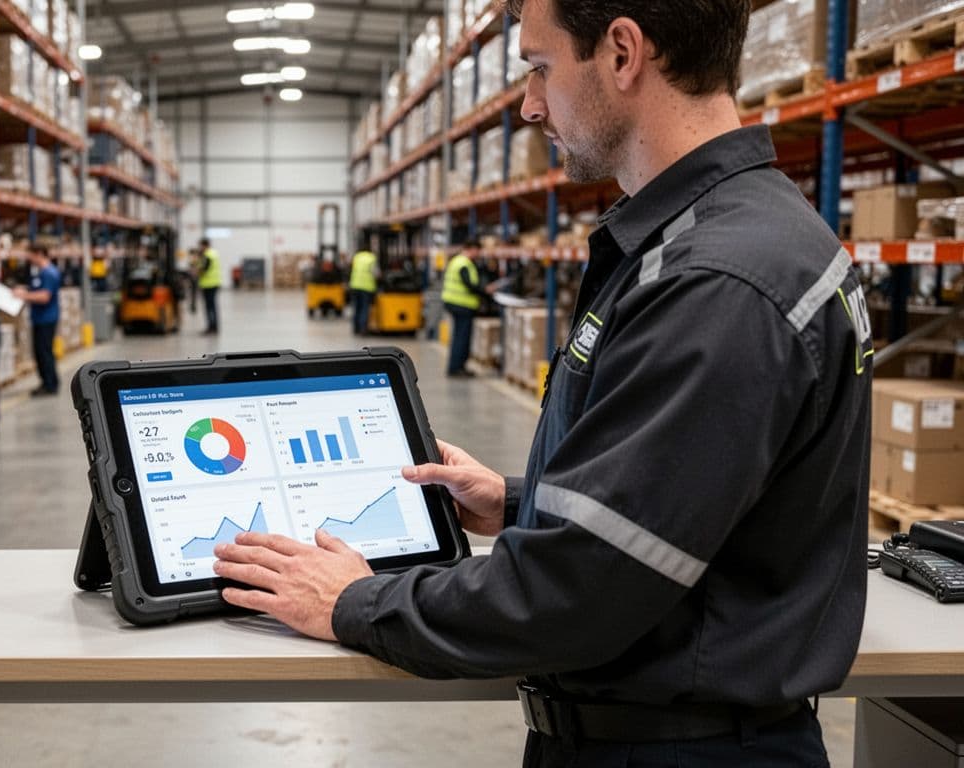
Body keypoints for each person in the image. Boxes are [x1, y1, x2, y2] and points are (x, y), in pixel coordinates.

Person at [212, 1, 872, 765]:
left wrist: (353, 600)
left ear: (622, 52)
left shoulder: (717, 280)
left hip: (681, 751)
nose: (529, 106)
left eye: (539, 68)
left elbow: (574, 595)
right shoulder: (727, 235)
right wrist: (519, 501)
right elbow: (700, 493)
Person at [12, 248, 61, 398]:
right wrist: (25, 289)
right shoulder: (42, 272)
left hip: (46, 319)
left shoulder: (49, 273)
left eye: (31, 256)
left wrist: (24, 296)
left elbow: (45, 296)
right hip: (41, 318)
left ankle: (49, 384)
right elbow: (38, 289)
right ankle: (48, 382)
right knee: (41, 352)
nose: (29, 260)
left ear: (39, 254)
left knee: (44, 352)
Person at [442, 240, 484, 377]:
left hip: (455, 303)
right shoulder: (464, 264)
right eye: (477, 250)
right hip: (461, 305)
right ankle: (456, 368)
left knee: (459, 336)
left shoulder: (457, 261)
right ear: (471, 249)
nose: (478, 254)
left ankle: (457, 366)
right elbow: (469, 285)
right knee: (462, 337)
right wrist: (485, 291)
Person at [348, 246, 378, 335]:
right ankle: (363, 329)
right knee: (364, 308)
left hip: (355, 285)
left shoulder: (356, 257)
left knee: (356, 307)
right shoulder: (372, 258)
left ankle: (355, 328)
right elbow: (375, 273)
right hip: (366, 287)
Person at [196, 238, 221, 335]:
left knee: (209, 307)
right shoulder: (214, 253)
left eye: (200, 246)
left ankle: (211, 327)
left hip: (209, 284)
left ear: (204, 245)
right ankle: (214, 327)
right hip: (214, 283)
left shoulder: (207, 255)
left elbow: (203, 269)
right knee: (212, 306)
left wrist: (195, 271)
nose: (200, 248)